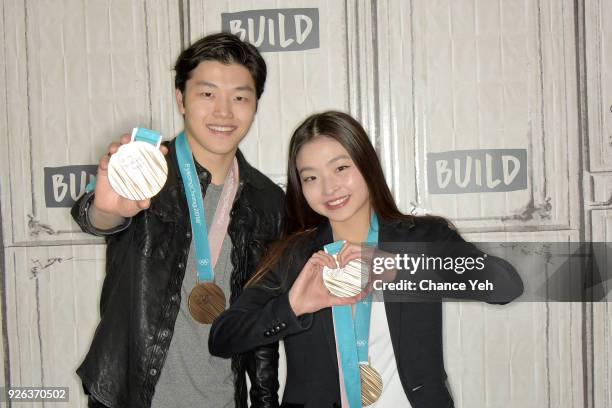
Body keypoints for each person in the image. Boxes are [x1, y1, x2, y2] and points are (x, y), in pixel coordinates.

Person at [208, 111, 523, 407]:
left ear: (366, 165)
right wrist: (293, 306)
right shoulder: (293, 256)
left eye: (341, 168)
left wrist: (398, 267)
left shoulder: (423, 238)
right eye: (311, 178)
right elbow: (222, 338)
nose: (329, 187)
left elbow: (505, 287)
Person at [71, 33, 283, 408]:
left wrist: (265, 399)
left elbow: (262, 316)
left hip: (223, 399)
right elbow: (99, 216)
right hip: (132, 397)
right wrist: (109, 207)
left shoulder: (268, 200)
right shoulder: (146, 170)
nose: (223, 111)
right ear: (180, 99)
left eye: (239, 97)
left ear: (255, 105)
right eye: (207, 94)